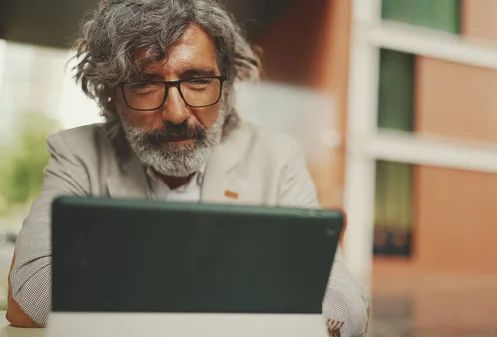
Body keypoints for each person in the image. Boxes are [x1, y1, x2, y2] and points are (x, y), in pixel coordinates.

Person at [5, 0, 369, 336]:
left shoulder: (277, 157)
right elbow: (30, 290)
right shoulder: (77, 152)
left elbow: (344, 301)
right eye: (145, 83)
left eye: (197, 80)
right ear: (114, 96)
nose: (176, 113)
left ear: (226, 86)